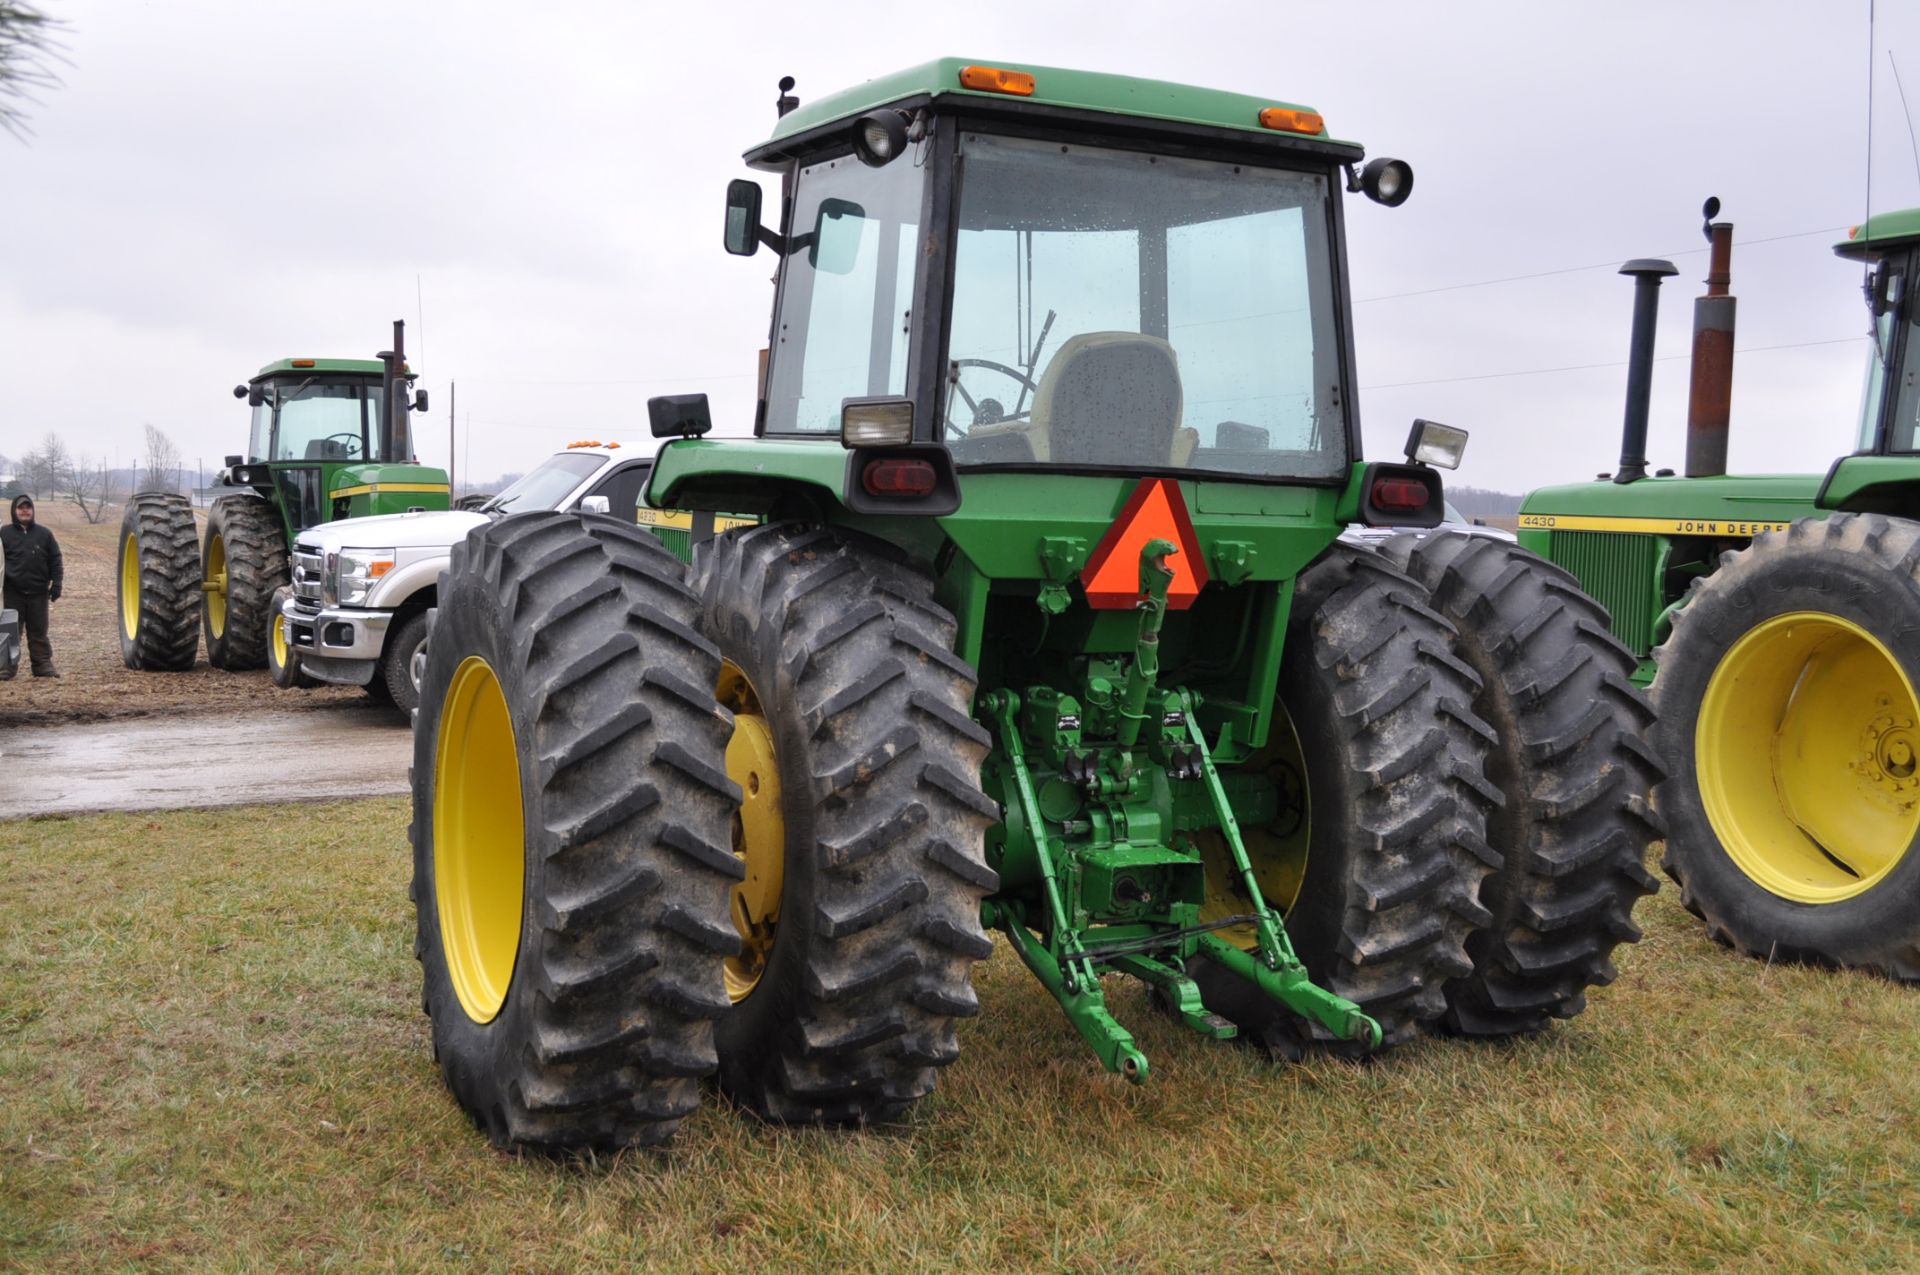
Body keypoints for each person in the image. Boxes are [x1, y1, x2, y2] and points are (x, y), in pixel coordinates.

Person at [1, 494, 62, 678]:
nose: (25, 510)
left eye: (28, 507)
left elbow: (55, 559)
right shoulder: (4, 533)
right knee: (9, 632)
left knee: (38, 632)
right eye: (21, 507)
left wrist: (57, 583)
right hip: (12, 592)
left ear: (33, 510)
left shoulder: (45, 534)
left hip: (38, 593)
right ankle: (6, 667)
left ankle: (42, 665)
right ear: (14, 510)